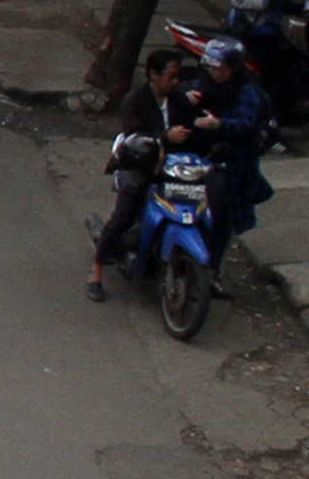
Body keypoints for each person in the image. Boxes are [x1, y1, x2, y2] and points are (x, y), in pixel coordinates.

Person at [88, 47, 189, 297]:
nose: (175, 82)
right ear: (154, 74)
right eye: (171, 76)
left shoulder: (178, 99)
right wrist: (165, 136)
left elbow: (193, 122)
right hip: (138, 164)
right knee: (123, 216)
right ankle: (95, 272)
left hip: (172, 168)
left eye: (178, 77)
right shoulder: (135, 100)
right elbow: (136, 136)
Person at [180, 37, 274, 264]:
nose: (214, 73)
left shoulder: (248, 93)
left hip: (235, 161)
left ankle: (213, 268)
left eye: (220, 69)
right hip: (199, 157)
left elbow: (245, 124)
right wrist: (184, 101)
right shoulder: (202, 85)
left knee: (224, 217)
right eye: (211, 67)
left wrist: (219, 124)